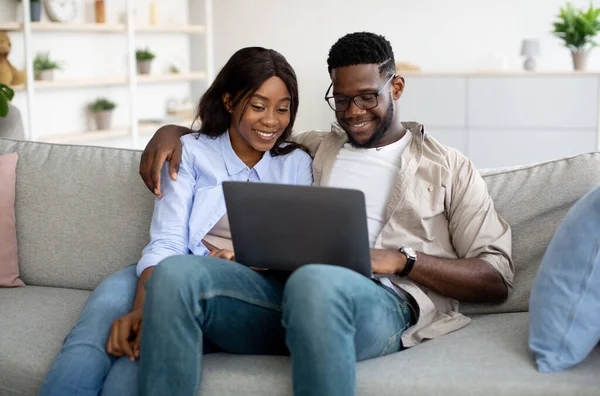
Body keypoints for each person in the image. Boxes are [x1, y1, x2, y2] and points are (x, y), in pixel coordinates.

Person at [138, 32, 515, 396]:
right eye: (342, 99)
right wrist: (171, 133)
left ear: (395, 88)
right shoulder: (313, 148)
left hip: (385, 304)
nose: (353, 113)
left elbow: (496, 276)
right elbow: (241, 131)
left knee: (315, 281)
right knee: (175, 273)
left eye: (368, 97)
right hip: (289, 297)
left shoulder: (448, 166)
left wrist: (402, 260)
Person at [38, 46, 312, 396]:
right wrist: (142, 308)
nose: (271, 120)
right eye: (258, 106)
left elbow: (293, 249)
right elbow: (167, 242)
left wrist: (239, 259)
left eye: (283, 108)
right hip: (170, 266)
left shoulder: (295, 165)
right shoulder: (190, 152)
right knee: (96, 326)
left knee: (132, 362)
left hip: (225, 288)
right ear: (229, 101)